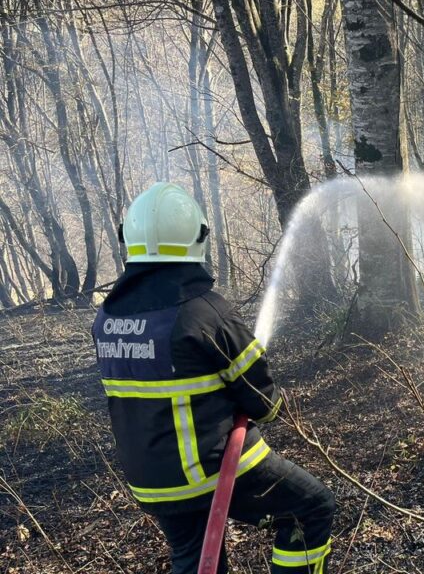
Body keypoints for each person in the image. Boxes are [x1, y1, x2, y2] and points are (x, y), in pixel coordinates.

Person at [91, 182, 335, 573]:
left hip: (151, 480)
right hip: (211, 471)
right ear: (197, 238)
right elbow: (264, 403)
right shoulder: (203, 312)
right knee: (310, 508)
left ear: (129, 240)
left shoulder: (107, 320)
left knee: (197, 559)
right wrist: (275, 402)